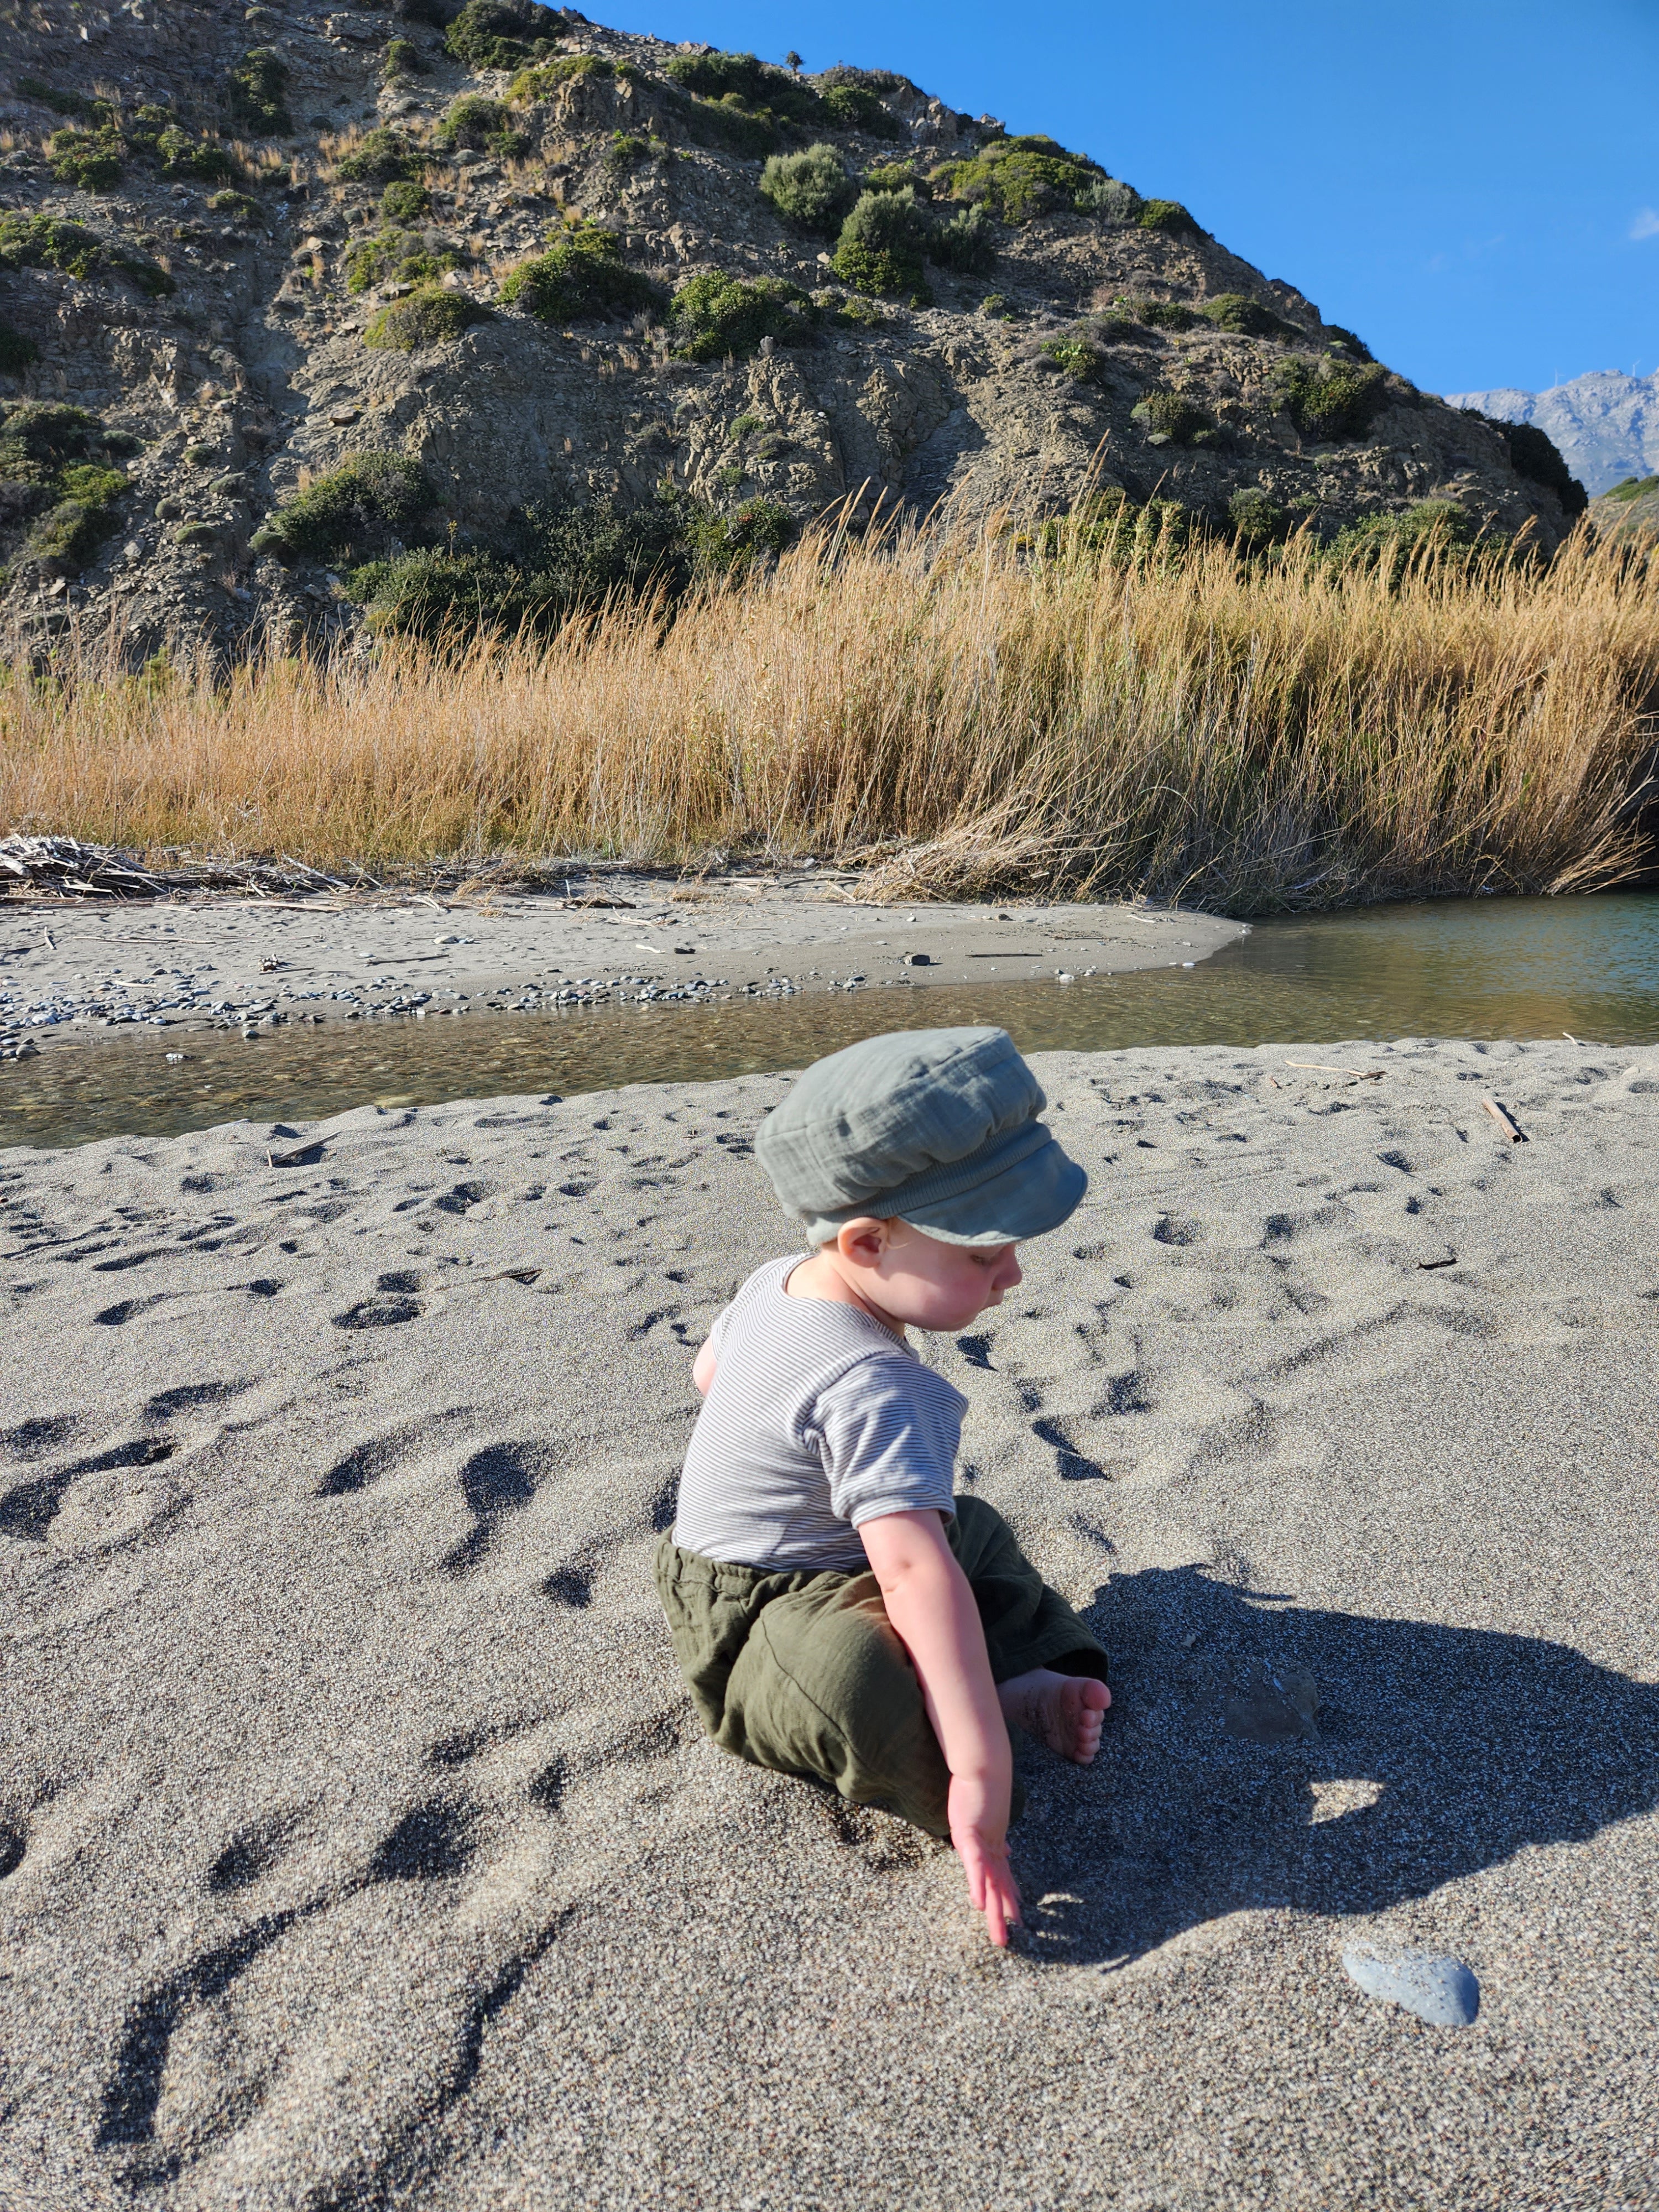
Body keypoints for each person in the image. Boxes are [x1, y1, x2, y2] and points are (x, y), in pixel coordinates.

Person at [654, 1026, 1112, 1947]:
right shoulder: (876, 1385)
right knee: (853, 1674)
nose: (1012, 1276)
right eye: (984, 1255)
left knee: (967, 1528)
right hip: (756, 1612)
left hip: (762, 1551)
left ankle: (1019, 1678)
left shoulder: (779, 1277)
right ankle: (964, 1743)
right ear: (867, 1242)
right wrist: (981, 1782)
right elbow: (911, 1579)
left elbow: (711, 1375)